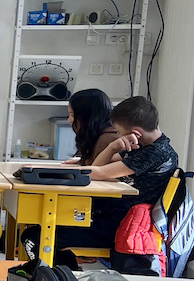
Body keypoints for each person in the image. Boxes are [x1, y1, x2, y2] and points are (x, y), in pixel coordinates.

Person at [21, 95, 180, 264]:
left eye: (119, 132)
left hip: (116, 227)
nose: (118, 136)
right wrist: (114, 146)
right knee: (43, 227)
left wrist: (71, 168)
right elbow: (101, 165)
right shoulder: (147, 146)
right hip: (109, 217)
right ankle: (66, 276)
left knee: (33, 237)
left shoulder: (153, 153)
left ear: (136, 134)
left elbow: (98, 173)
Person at [63, 88, 121, 166]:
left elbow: (99, 172)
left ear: (88, 116)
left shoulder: (108, 139)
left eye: (73, 115)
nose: (69, 120)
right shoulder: (94, 136)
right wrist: (82, 161)